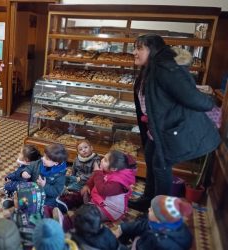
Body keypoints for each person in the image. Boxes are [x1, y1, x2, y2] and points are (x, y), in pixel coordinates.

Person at [128, 34, 220, 211]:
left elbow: (191, 97)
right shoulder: (150, 68)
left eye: (139, 48)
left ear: (153, 50)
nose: (134, 52)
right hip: (154, 130)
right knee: (153, 164)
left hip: (167, 130)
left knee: (161, 168)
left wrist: (209, 102)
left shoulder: (166, 69)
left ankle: (159, 210)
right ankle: (148, 200)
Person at [113, 195, 193, 250]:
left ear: (159, 219)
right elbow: (144, 225)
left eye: (151, 210)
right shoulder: (170, 224)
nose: (148, 209)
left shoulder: (156, 239)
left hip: (144, 246)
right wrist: (122, 228)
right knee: (131, 227)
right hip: (146, 241)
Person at [81, 150, 137, 221]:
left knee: (85, 215)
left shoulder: (118, 182)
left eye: (105, 160)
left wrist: (98, 172)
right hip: (101, 200)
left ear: (114, 169)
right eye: (103, 158)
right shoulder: (110, 169)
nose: (101, 160)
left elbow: (102, 190)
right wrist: (88, 185)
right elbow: (95, 177)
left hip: (109, 210)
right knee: (82, 193)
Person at [21, 143, 68, 215]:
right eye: (44, 155)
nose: (42, 158)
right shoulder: (40, 162)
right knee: (23, 200)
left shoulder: (60, 175)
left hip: (48, 198)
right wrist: (26, 172)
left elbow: (56, 191)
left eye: (46, 158)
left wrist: (44, 185)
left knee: (43, 211)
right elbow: (31, 166)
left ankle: (59, 207)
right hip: (34, 191)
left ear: (55, 163)